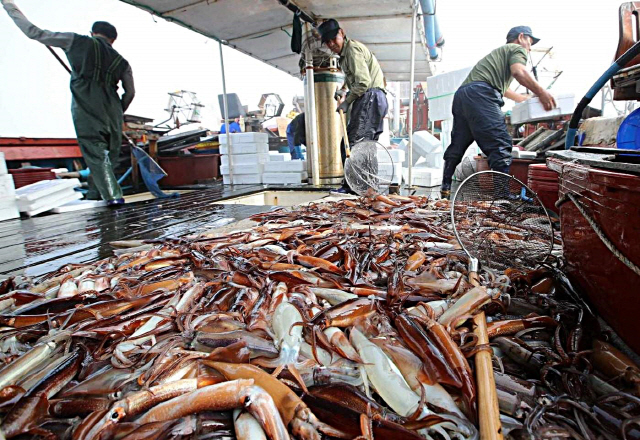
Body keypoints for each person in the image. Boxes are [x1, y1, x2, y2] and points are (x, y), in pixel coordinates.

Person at [2, 0, 135, 206]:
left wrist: (9, 5)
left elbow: (33, 32)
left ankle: (113, 199)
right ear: (113, 40)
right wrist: (118, 110)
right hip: (113, 111)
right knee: (108, 159)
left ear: (92, 33)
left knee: (97, 155)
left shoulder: (77, 41)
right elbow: (130, 92)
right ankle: (95, 197)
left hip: (87, 107)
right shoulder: (122, 62)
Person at [440, 26, 556, 199]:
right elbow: (519, 71)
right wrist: (542, 92)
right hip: (481, 94)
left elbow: (505, 89)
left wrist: (523, 98)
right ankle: (503, 198)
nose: (530, 48)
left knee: (458, 144)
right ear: (521, 37)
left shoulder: (499, 55)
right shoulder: (517, 49)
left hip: (463, 95)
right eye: (530, 43)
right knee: (500, 144)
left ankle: (445, 187)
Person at [318, 18, 388, 193]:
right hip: (375, 98)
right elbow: (354, 79)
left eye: (334, 38)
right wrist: (343, 89)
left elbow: (363, 82)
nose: (332, 44)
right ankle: (369, 188)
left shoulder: (352, 51)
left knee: (351, 145)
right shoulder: (345, 55)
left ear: (341, 33)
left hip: (370, 97)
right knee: (367, 147)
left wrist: (347, 102)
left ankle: (352, 188)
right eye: (328, 42)